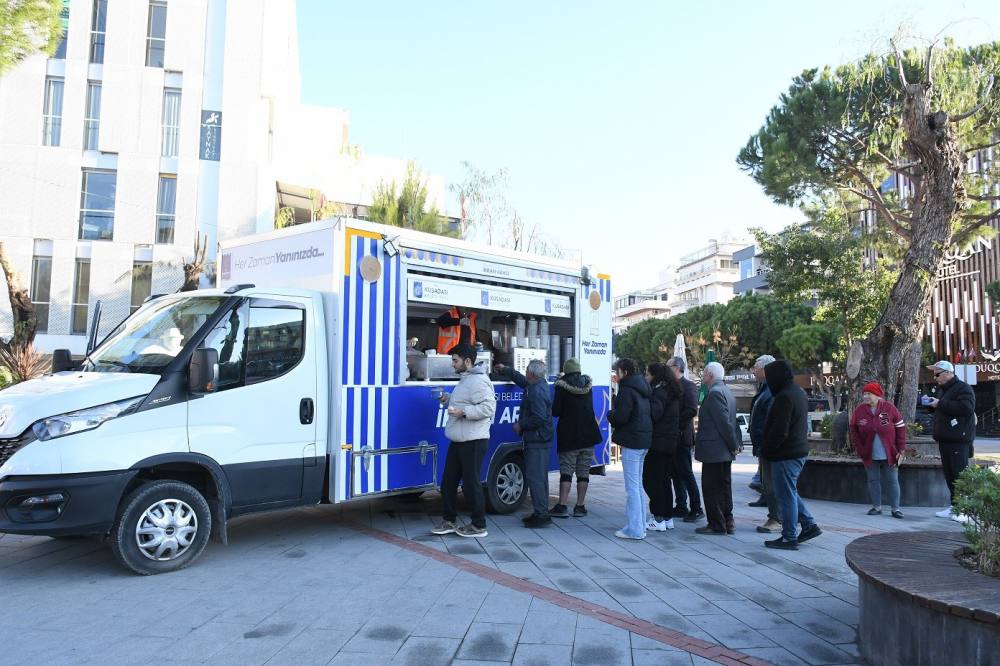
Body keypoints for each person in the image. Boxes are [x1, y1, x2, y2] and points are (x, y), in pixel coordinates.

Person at [431, 344, 497, 538]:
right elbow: (463, 402)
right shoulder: (466, 379)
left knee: (471, 484)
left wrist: (464, 413)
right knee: (448, 482)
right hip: (459, 439)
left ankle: (479, 525)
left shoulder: (478, 381)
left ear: (467, 362)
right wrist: (446, 398)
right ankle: (449, 521)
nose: (452, 364)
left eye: (455, 360)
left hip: (473, 441)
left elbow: (488, 408)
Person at [761, 359, 822, 550]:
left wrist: (768, 450)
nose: (767, 382)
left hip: (785, 454)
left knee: (785, 495)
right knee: (790, 492)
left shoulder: (784, 397)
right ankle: (809, 525)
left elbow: (780, 430)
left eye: (769, 377)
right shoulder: (797, 392)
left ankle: (789, 536)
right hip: (796, 451)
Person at [496, 359, 554, 528]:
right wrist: (506, 369)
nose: (526, 373)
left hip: (537, 439)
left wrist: (521, 425)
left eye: (527, 371)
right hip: (541, 438)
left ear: (531, 373)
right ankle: (540, 511)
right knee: (540, 478)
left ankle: (541, 515)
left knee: (536, 478)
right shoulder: (537, 384)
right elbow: (522, 381)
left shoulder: (536, 392)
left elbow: (539, 417)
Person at [549, 358, 603, 518]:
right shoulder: (588, 385)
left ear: (566, 370)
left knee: (566, 471)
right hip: (589, 435)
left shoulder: (561, 387)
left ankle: (562, 506)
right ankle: (580, 506)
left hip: (570, 435)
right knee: (583, 471)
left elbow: (556, 411)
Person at [925, 360, 977, 522]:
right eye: (934, 374)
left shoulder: (963, 388)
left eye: (937, 374)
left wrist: (940, 403)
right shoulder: (944, 390)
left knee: (959, 474)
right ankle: (955, 506)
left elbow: (966, 408)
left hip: (958, 440)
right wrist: (932, 404)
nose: (935, 377)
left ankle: (965, 510)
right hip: (946, 440)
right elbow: (945, 408)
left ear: (948, 373)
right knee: (949, 474)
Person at [694, 362, 741, 535]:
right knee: (724, 486)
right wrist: (734, 445)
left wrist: (734, 445)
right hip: (722, 451)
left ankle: (716, 524)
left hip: (715, 450)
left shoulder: (714, 393)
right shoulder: (727, 391)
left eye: (704, 373)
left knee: (712, 487)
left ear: (711, 375)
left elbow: (724, 424)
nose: (703, 376)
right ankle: (728, 521)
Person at [608, 358, 652, 540]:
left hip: (632, 442)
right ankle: (640, 525)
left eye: (617, 371)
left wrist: (610, 413)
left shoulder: (627, 389)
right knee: (638, 486)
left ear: (624, 371)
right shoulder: (642, 388)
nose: (616, 375)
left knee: (632, 487)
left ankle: (635, 529)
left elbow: (621, 417)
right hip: (643, 440)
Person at [849, 382, 906, 518]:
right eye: (864, 394)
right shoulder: (860, 410)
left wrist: (901, 449)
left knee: (892, 480)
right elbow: (853, 429)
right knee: (873, 480)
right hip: (869, 453)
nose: (865, 396)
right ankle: (876, 507)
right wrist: (859, 447)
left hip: (890, 453)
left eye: (869, 394)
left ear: (877, 395)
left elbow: (900, 428)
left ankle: (895, 509)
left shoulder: (889, 408)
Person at [644, 362, 681, 531]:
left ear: (655, 375)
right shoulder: (672, 392)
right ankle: (667, 517)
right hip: (670, 443)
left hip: (658, 443)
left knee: (652, 480)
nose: (646, 377)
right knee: (665, 481)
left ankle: (658, 517)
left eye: (647, 373)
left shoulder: (659, 392)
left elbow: (654, 413)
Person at [667, 356, 704, 522]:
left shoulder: (688, 386)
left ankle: (696, 507)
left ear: (676, 367)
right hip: (671, 438)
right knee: (675, 473)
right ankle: (681, 505)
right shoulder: (670, 386)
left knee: (686, 473)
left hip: (682, 437)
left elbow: (691, 410)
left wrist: (675, 425)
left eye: (668, 366)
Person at [748, 355, 781, 534]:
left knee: (772, 483)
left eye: (756, 367)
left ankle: (778, 518)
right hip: (763, 445)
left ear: (765, 369)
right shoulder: (765, 389)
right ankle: (777, 516)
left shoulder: (772, 391)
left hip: (768, 445)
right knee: (768, 482)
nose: (753, 370)